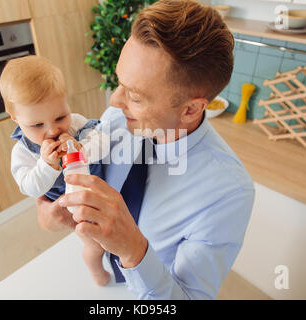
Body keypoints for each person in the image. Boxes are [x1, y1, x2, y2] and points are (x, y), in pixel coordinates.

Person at [36, 0, 255, 299]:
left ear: (191, 109)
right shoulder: (117, 119)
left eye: (136, 96)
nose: (114, 101)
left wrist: (132, 249)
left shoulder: (228, 192)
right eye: (119, 82)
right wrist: (46, 210)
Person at [0, 55, 112, 286]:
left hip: (97, 189)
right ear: (15, 119)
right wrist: (47, 165)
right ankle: (97, 273)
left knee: (112, 230)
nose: (52, 130)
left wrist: (84, 149)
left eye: (60, 116)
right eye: (37, 125)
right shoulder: (23, 152)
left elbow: (104, 142)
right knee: (95, 244)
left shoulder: (76, 124)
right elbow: (30, 187)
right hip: (68, 207)